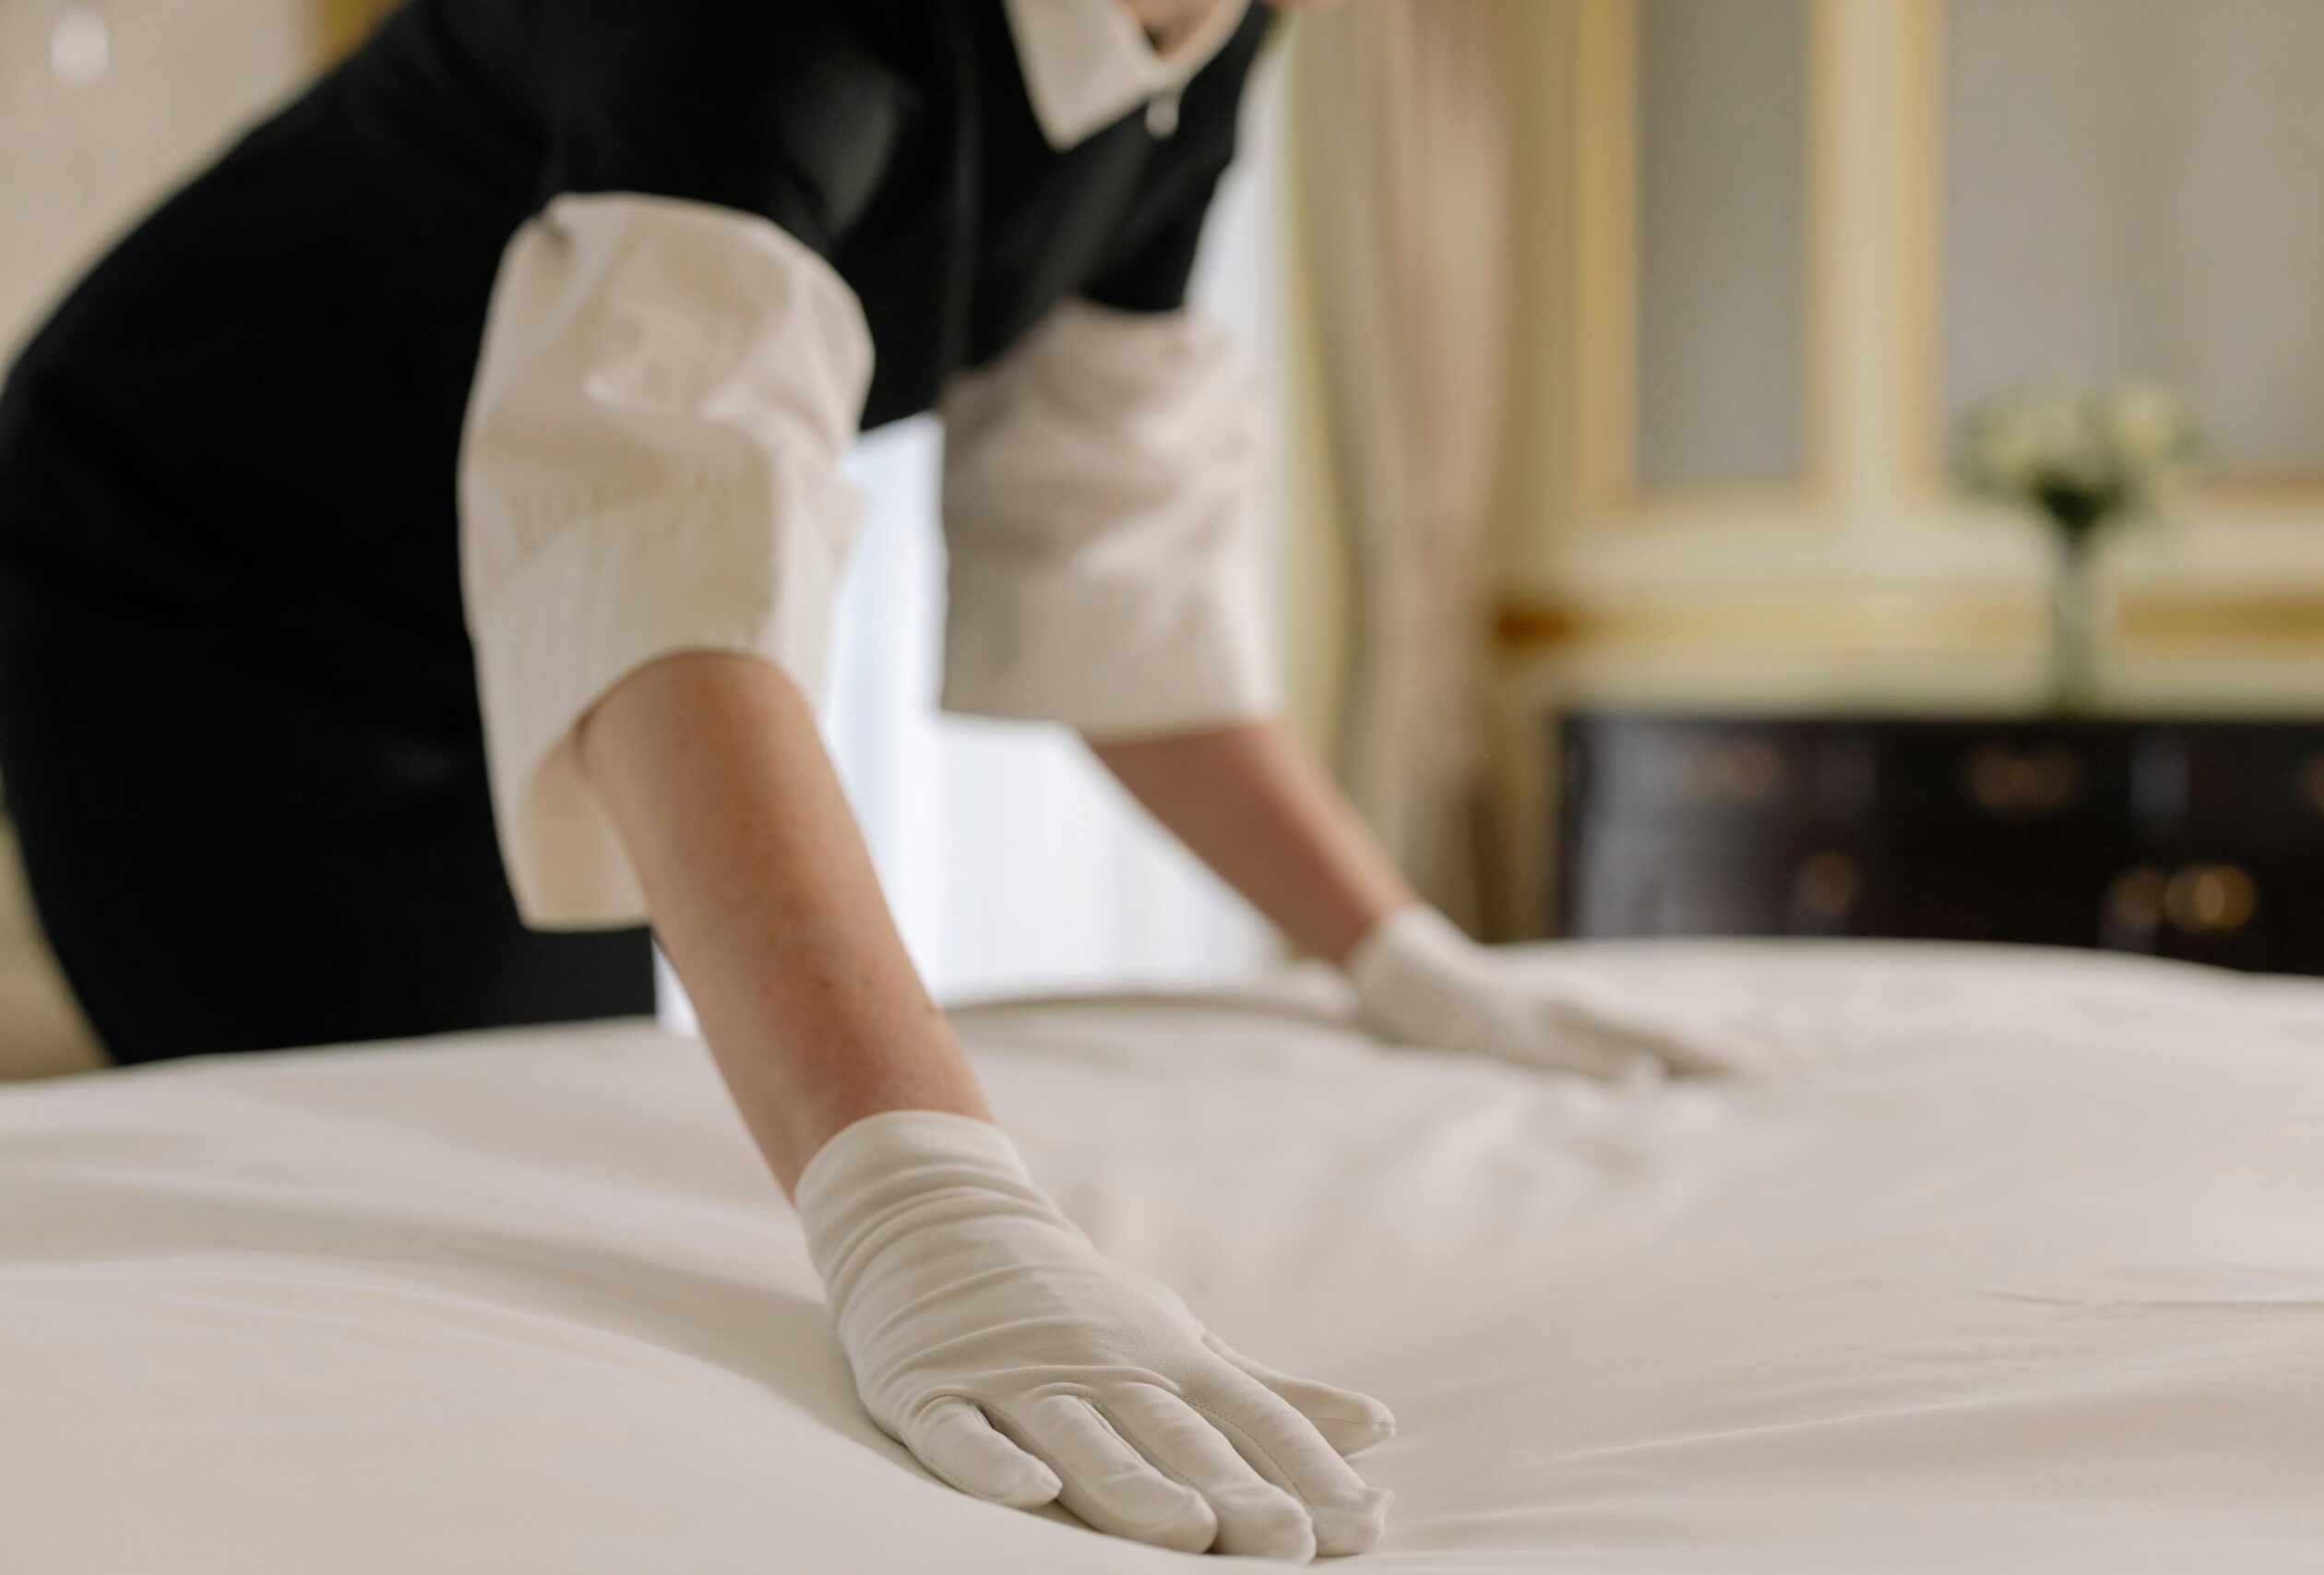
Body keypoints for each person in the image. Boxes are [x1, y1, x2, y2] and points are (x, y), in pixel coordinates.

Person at [0, 0, 1764, 1558]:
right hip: (204, 610)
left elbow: (1111, 567)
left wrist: (1395, 948)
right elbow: (654, 568)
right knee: (386, 1195)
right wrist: (927, 1203)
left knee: (521, 1149)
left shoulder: (1206, 42)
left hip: (513, 638)